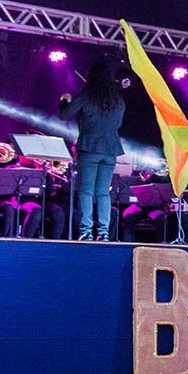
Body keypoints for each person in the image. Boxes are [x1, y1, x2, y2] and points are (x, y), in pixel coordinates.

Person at [62, 59, 125, 240]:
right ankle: (104, 232)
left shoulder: (87, 94)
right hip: (110, 150)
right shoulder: (118, 100)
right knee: (103, 192)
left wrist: (65, 101)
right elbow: (118, 124)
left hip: (90, 147)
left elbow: (65, 114)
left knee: (86, 191)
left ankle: (86, 231)